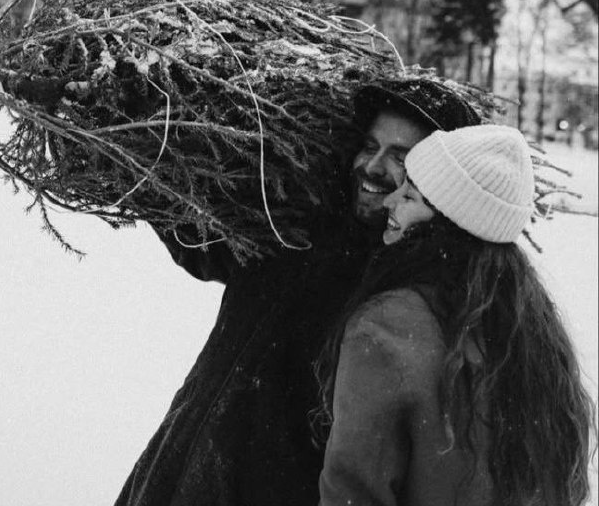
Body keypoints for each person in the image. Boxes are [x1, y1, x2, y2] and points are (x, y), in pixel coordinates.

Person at [113, 76, 484, 506]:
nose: (373, 166)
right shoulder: (297, 223)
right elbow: (206, 249)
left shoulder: (410, 306)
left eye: (401, 157)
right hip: (177, 474)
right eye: (370, 146)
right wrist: (136, 149)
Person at [316, 124, 595, 506]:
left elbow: (353, 493)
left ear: (446, 226)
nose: (390, 201)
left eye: (409, 196)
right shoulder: (529, 331)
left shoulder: (385, 329)